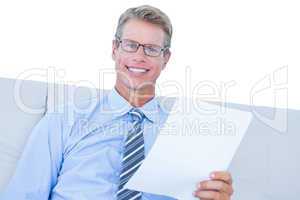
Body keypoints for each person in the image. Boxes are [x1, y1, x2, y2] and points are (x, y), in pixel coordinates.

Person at [1, 5, 234, 200]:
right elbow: (24, 195)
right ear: (115, 49)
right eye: (131, 45)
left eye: (152, 49)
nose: (139, 57)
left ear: (166, 58)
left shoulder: (186, 136)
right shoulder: (63, 121)